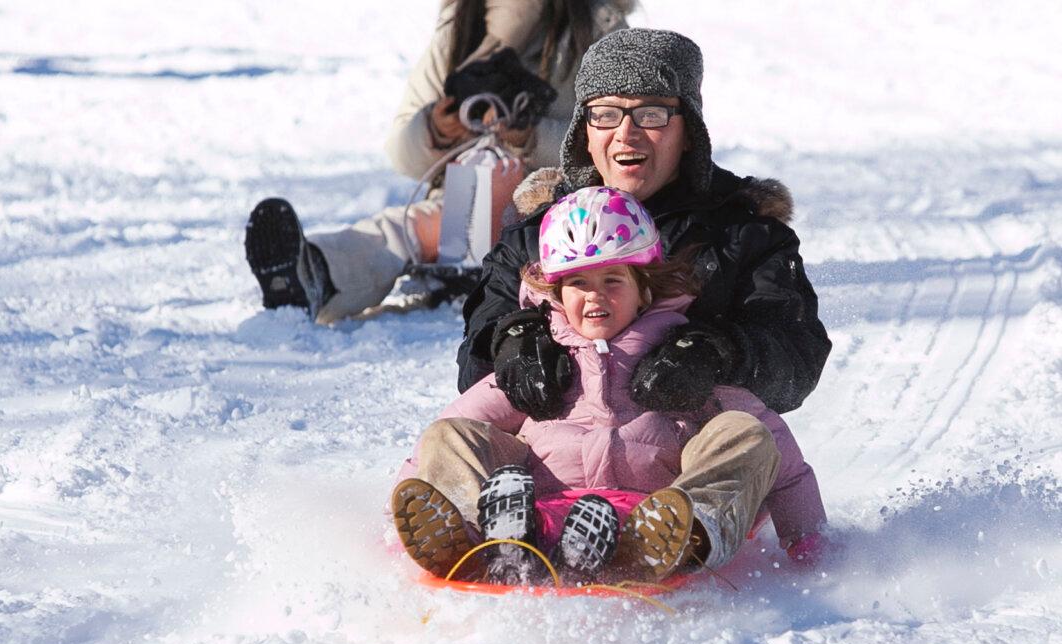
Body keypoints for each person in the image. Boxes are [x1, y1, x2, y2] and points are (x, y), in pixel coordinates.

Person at [392, 186, 827, 585]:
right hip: (540, 519)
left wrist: (808, 540)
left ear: (644, 289)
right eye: (578, 283)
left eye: (612, 281)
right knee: (451, 435)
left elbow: (775, 452)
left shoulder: (680, 358)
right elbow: (447, 433)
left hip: (655, 520)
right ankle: (474, 532)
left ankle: (695, 530)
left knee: (742, 434)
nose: (595, 296)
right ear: (558, 295)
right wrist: (404, 517)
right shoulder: (541, 360)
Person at [456, 28, 832, 420]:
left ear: (689, 133)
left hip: (689, 459)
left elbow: (796, 360)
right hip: (557, 463)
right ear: (584, 133)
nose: (625, 133)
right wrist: (512, 340)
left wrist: (719, 351)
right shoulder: (537, 235)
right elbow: (474, 366)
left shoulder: (744, 235)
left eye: (650, 114)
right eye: (604, 114)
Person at [243, 0, 637, 324]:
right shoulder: (460, 29)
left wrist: (532, 137)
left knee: (445, 212)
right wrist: (436, 129)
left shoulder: (599, 33)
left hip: (559, 211)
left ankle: (475, 271)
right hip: (460, 199)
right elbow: (401, 150)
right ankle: (313, 272)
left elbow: (620, 147)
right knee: (411, 225)